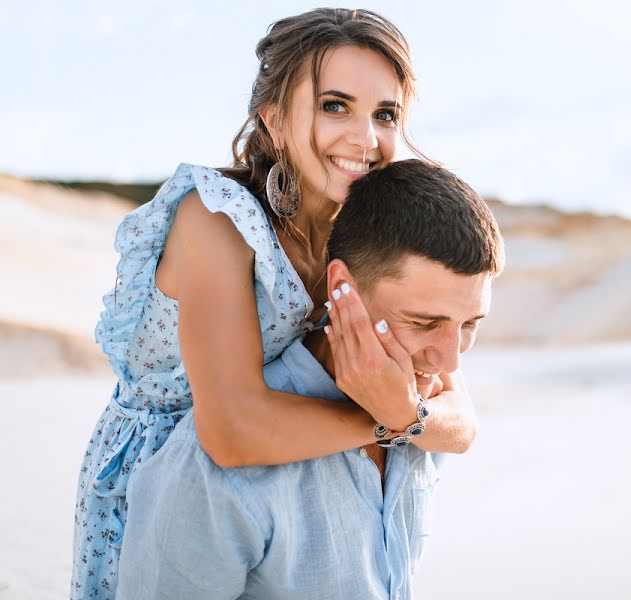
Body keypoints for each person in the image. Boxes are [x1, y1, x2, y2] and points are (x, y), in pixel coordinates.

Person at [72, 10, 478, 599]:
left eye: (384, 114)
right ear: (275, 119)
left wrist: (406, 415)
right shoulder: (216, 219)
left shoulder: (364, 234)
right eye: (335, 105)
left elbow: (461, 421)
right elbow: (231, 430)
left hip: (295, 472)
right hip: (170, 481)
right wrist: (393, 418)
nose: (365, 138)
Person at [115, 160, 504, 599]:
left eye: (470, 324)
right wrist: (395, 420)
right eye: (423, 322)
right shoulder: (206, 478)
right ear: (342, 287)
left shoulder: (423, 409)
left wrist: (408, 416)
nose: (449, 358)